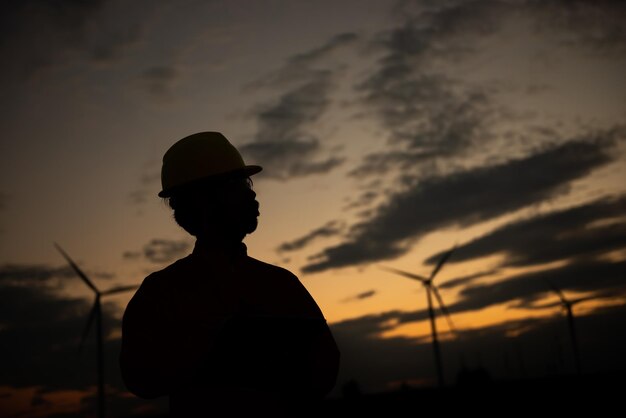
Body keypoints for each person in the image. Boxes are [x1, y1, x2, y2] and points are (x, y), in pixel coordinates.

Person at [119, 132, 340, 417]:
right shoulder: (161, 293)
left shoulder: (281, 283)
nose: (251, 193)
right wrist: (211, 349)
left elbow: (325, 369)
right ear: (202, 200)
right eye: (237, 184)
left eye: (247, 183)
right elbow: (140, 379)